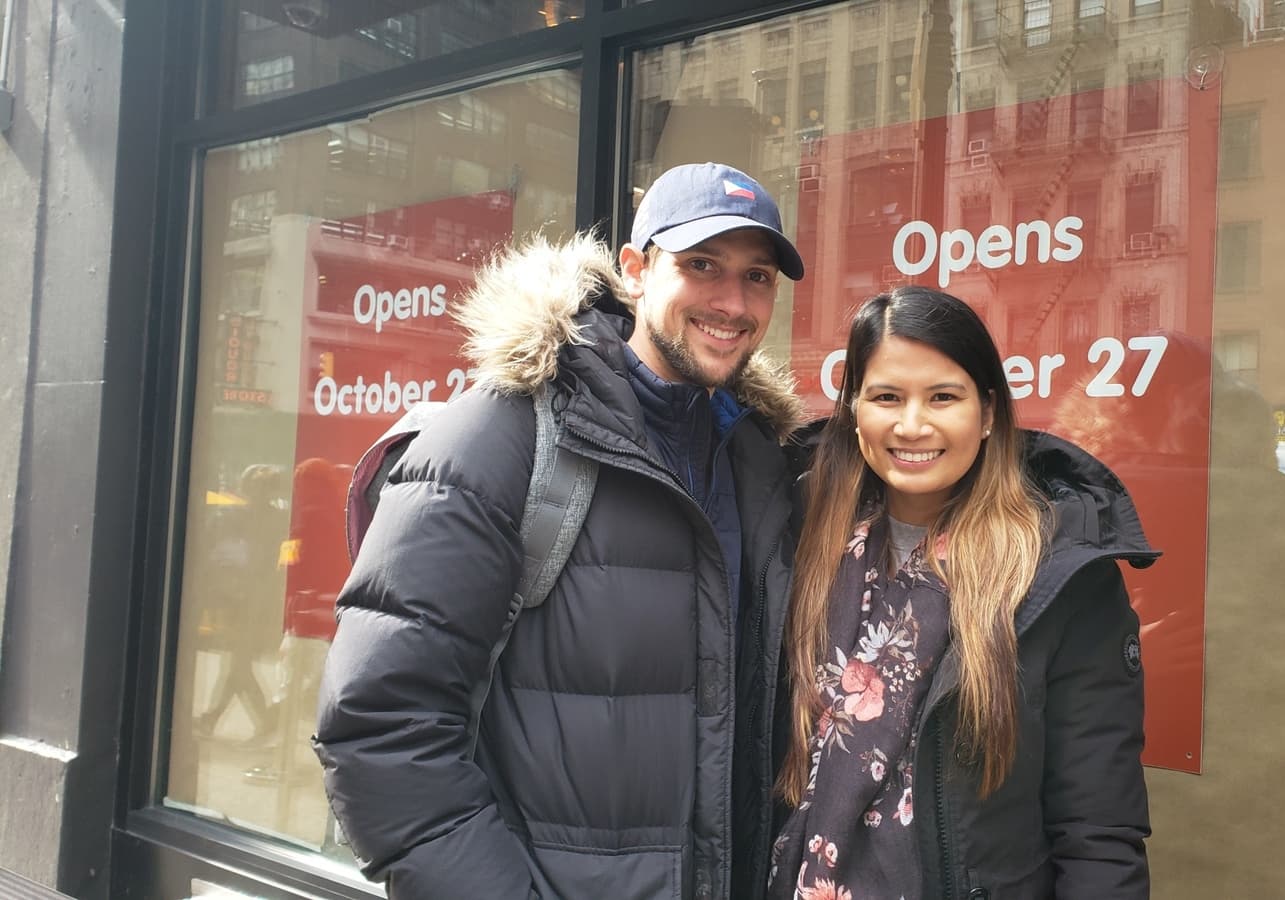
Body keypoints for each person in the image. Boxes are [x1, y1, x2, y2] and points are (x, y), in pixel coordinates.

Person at [314, 162, 808, 900]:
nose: (733, 301)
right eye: (701, 265)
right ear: (636, 272)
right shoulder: (508, 431)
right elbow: (382, 726)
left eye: (758, 276)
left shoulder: (755, 459)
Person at [768, 287, 1156, 900]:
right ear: (853, 409)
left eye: (943, 397)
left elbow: (1097, 829)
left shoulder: (1057, 574)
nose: (912, 424)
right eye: (886, 397)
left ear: (990, 412)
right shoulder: (794, 539)